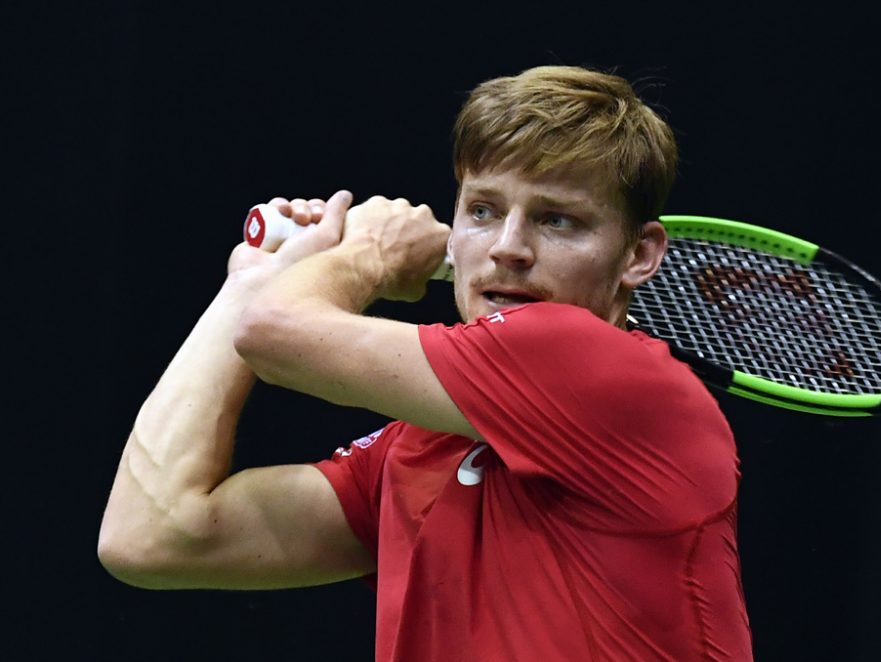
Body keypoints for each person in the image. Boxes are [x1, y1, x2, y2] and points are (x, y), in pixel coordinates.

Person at [99, 65, 753, 660]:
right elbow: (152, 535)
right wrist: (250, 282)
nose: (507, 248)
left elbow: (275, 333)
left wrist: (362, 260)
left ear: (639, 256)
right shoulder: (419, 448)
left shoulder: (611, 373)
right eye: (483, 210)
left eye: (557, 221)